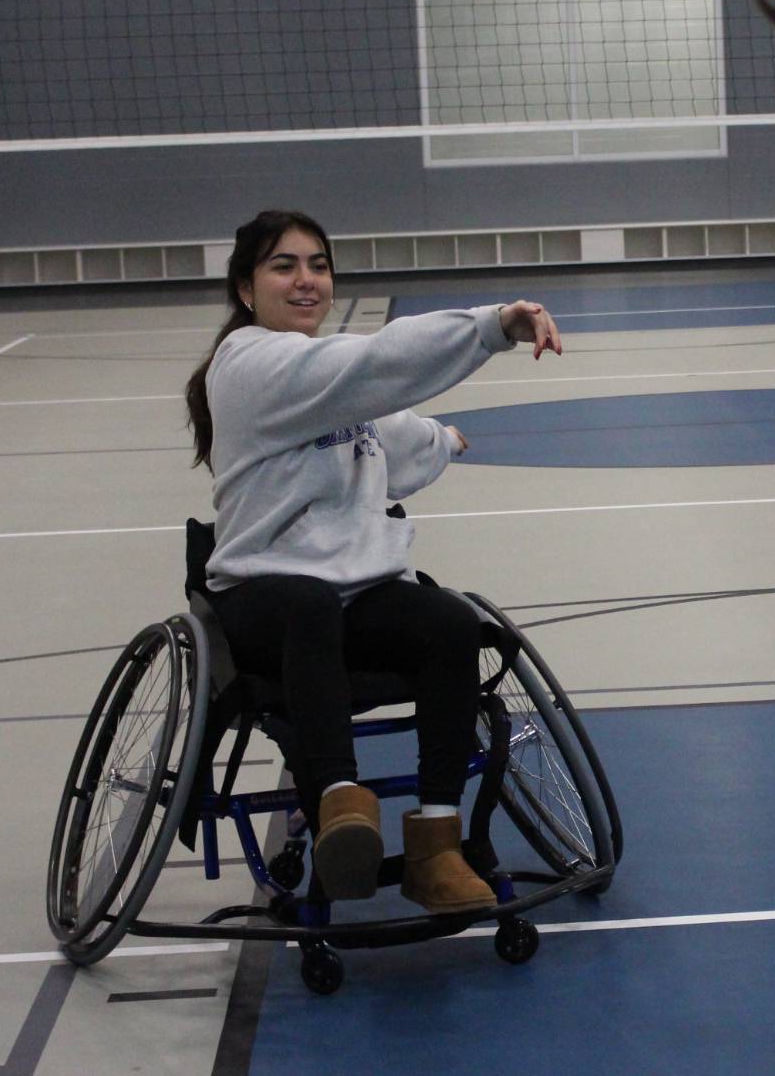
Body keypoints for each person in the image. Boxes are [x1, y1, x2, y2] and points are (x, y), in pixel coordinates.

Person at [182, 209, 562, 911]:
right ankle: (340, 811)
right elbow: (373, 364)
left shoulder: (324, 383)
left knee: (449, 621)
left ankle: (436, 844)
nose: (306, 280)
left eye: (319, 265)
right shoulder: (249, 364)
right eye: (284, 266)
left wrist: (443, 442)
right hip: (262, 599)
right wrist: (489, 326)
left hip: (351, 599)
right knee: (309, 603)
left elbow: (388, 433)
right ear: (245, 288)